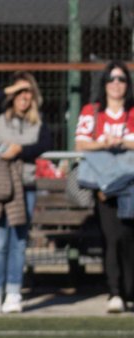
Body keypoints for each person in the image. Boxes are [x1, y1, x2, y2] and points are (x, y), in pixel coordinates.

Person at [0, 72, 51, 315]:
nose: (24, 96)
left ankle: (14, 294)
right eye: (20, 91)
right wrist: (9, 89)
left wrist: (20, 150)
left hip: (25, 187)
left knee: (18, 242)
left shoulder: (37, 122)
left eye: (28, 92)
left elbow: (44, 145)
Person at [74, 60, 134, 314]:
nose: (116, 84)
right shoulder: (92, 111)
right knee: (112, 237)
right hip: (104, 185)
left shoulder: (132, 112)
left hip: (130, 184)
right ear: (105, 83)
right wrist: (104, 142)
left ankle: (129, 290)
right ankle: (115, 291)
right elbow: (81, 144)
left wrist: (121, 142)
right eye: (112, 78)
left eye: (121, 79)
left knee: (130, 238)